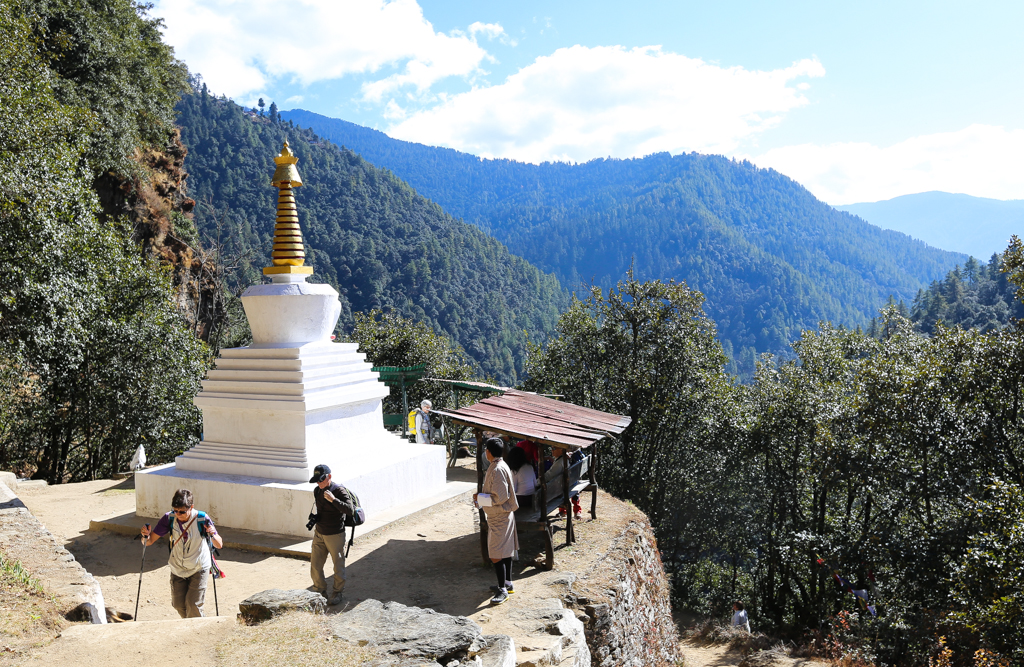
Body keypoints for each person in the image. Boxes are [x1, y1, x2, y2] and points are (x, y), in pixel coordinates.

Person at [139, 489, 223, 618]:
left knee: (193, 605)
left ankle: (196, 630)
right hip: (177, 567)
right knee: (178, 605)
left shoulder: (202, 518)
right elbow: (148, 542)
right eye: (175, 510)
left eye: (182, 512)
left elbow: (219, 544)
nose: (178, 514)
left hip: (199, 567)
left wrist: (212, 534)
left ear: (191, 507)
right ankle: (192, 624)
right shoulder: (169, 518)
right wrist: (145, 536)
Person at [474, 438, 519, 605]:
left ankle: (502, 590)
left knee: (495, 554)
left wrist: (480, 498)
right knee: (505, 551)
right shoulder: (500, 464)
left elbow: (500, 497)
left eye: (486, 450)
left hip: (499, 516)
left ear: (489, 452)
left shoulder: (498, 468)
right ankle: (507, 583)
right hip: (501, 515)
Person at [308, 464, 356, 605]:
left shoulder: (338, 490)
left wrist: (334, 500)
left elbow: (350, 510)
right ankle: (319, 591)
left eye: (322, 479)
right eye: (317, 480)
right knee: (315, 565)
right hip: (319, 533)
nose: (319, 483)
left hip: (335, 534)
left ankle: (337, 592)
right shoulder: (317, 490)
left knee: (338, 565)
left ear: (329, 476)